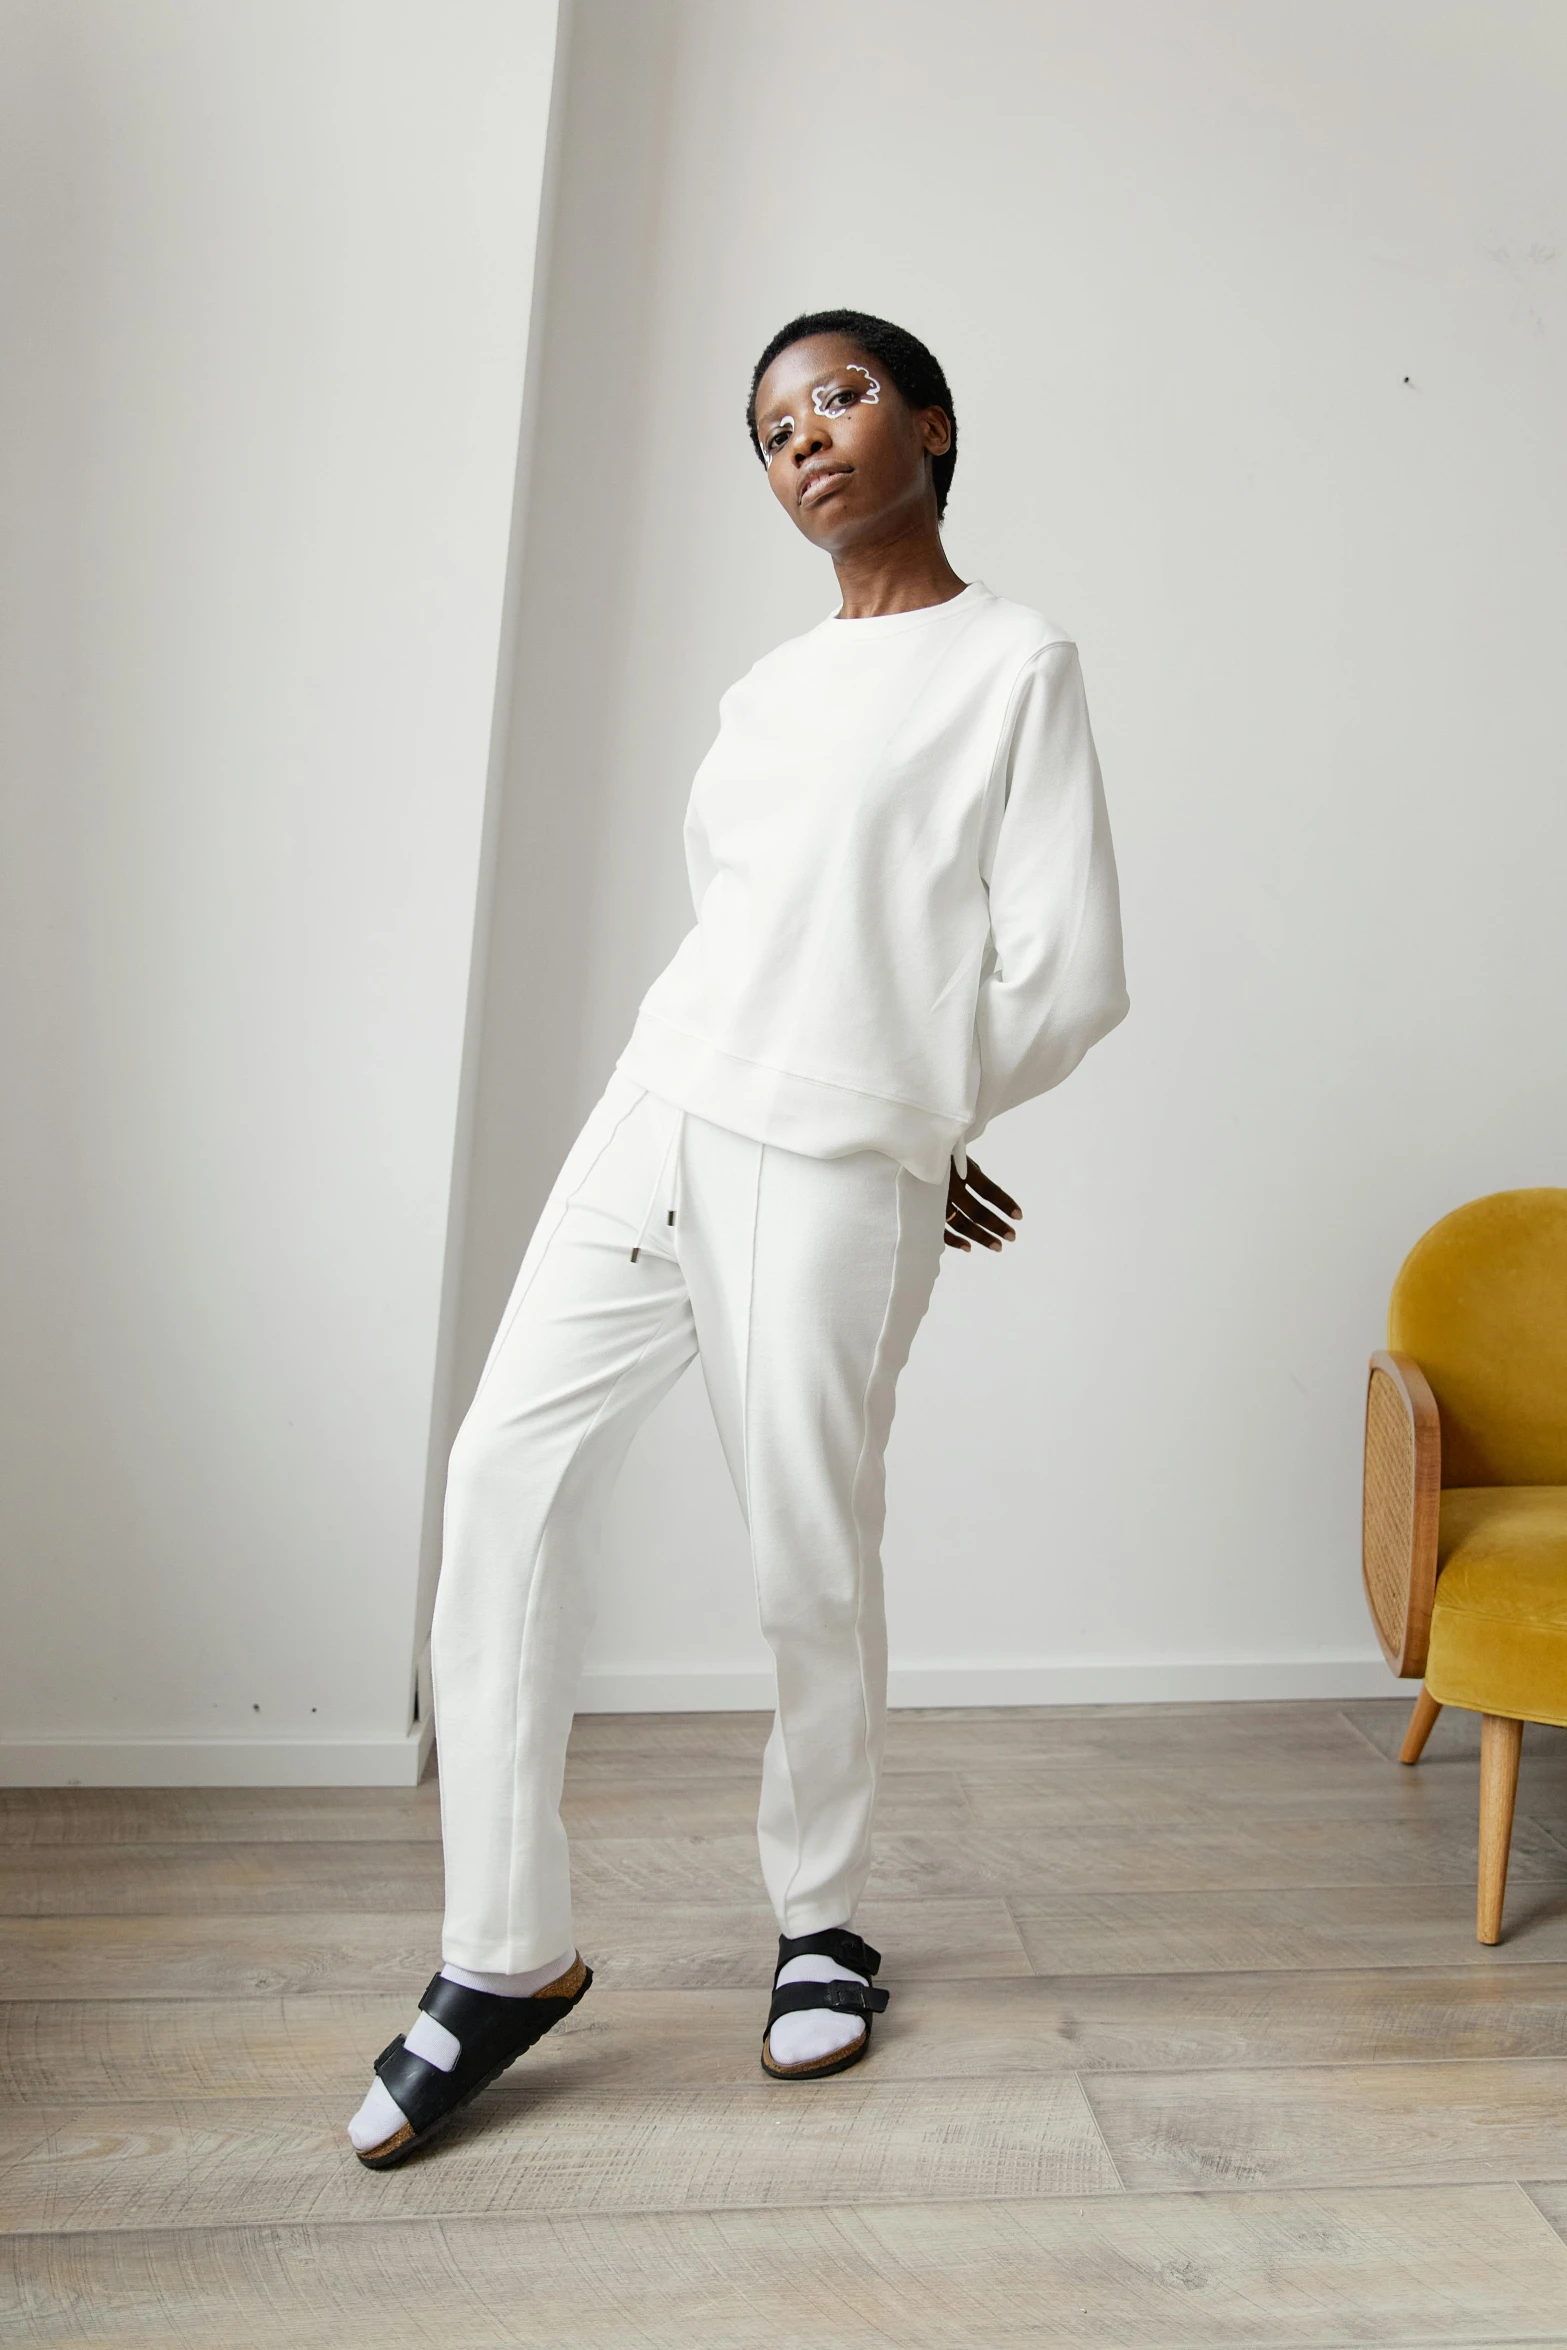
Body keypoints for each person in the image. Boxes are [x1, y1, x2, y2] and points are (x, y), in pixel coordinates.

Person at [347, 307, 1128, 2167]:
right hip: (662, 1105)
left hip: (836, 1156)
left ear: (931, 423)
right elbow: (750, 931)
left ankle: (822, 1918)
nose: (806, 443)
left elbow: (1074, 971)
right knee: (498, 1485)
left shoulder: (1013, 661)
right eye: (771, 429)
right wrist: (866, 1070)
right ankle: (502, 1950)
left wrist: (916, 1107)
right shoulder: (766, 691)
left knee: (805, 1549)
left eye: (841, 398)